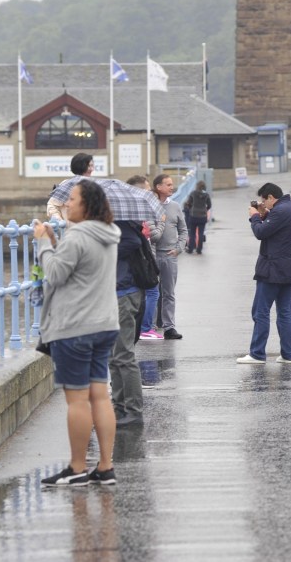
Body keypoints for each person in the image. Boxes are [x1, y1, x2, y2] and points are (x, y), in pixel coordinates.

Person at [34, 181, 118, 486]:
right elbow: (80, 269)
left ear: (88, 205)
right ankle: (105, 466)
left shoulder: (78, 235)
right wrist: (58, 243)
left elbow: (55, 274)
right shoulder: (109, 234)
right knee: (100, 396)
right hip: (105, 324)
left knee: (77, 401)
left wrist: (43, 243)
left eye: (72, 199)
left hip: (75, 327)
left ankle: (77, 468)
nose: (67, 204)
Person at [237, 182, 291, 365]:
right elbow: (277, 231)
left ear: (271, 197)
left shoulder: (280, 211)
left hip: (272, 269)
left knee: (260, 311)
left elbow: (261, 232)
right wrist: (266, 215)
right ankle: (288, 354)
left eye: (264, 201)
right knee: (285, 312)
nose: (263, 204)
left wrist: (255, 217)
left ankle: (257, 353)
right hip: (288, 268)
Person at [112, 213, 148, 427]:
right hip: (116, 293)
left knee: (124, 354)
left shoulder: (120, 223)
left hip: (124, 293)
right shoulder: (110, 223)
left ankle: (134, 411)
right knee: (113, 356)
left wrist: (105, 251)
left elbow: (132, 242)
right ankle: (118, 407)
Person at [150, 174, 188, 340]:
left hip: (170, 256)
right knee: (151, 292)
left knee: (169, 293)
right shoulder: (150, 206)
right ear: (158, 187)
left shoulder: (175, 206)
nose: (172, 187)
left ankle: (169, 327)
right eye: (168, 184)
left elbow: (183, 230)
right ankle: (149, 327)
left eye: (172, 184)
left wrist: (178, 249)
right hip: (152, 254)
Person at [127, 175, 164, 342]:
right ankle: (145, 328)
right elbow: (154, 235)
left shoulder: (126, 209)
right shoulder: (142, 211)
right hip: (143, 259)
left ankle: (141, 328)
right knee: (152, 291)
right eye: (148, 190)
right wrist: (162, 222)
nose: (151, 194)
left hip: (137, 258)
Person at [46, 153, 94, 220]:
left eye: (92, 166)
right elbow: (52, 206)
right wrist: (60, 221)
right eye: (89, 166)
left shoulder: (95, 185)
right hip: (70, 227)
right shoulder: (66, 184)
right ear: (81, 166)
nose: (91, 169)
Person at [183, 180, 212, 254]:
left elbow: (188, 203)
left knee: (192, 233)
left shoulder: (193, 193)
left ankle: (190, 249)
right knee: (201, 233)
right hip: (203, 216)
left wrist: (190, 209)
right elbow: (209, 205)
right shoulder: (207, 195)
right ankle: (199, 249)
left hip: (193, 215)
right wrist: (205, 210)